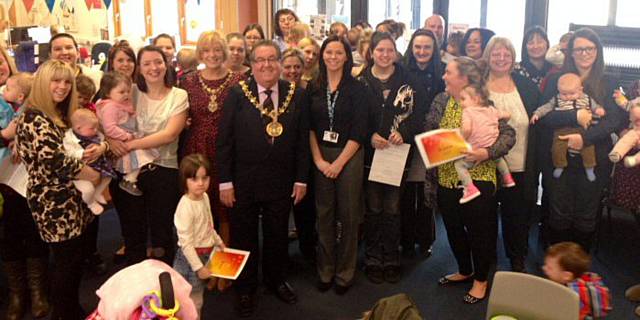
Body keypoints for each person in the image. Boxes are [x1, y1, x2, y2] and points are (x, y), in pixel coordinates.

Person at [217, 40, 309, 317]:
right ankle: (244, 288)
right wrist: (225, 182)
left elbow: (303, 141)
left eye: (272, 59)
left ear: (280, 63)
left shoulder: (296, 94)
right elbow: (225, 142)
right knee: (242, 236)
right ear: (252, 64)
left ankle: (275, 279)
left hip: (281, 179)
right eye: (260, 60)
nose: (266, 65)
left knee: (277, 234)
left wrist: (301, 179)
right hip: (243, 180)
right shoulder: (237, 93)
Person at [16, 59, 104, 319]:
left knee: (74, 260)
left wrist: (101, 149)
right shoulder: (34, 116)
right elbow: (55, 160)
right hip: (52, 202)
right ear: (43, 82)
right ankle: (63, 313)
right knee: (66, 263)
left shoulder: (61, 113)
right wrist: (93, 174)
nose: (62, 86)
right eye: (56, 80)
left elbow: (90, 138)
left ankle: (71, 308)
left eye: (67, 82)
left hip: (73, 199)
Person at [425, 56, 515, 304]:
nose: (444, 76)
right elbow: (429, 131)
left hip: (479, 178)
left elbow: (508, 134)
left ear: (464, 78)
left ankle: (481, 280)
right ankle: (465, 270)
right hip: (446, 178)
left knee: (480, 232)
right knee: (453, 229)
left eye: (448, 72)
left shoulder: (483, 101)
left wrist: (486, 152)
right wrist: (438, 144)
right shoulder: (441, 100)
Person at [539, 28, 625, 252]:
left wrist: (583, 138)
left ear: (598, 51)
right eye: (579, 49)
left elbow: (614, 120)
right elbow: (545, 116)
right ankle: (559, 269)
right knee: (559, 214)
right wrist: (574, 116)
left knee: (586, 216)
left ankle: (578, 270)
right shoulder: (556, 79)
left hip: (595, 159)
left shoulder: (610, 82)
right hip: (559, 158)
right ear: (571, 53)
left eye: (590, 48)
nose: (584, 53)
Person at [108, 45, 188, 266]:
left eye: (158, 62)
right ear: (139, 69)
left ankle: (165, 285)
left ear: (166, 64)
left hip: (163, 170)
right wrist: (110, 140)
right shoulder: (130, 92)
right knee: (133, 236)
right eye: (147, 63)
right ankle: (137, 287)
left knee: (163, 234)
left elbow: (169, 134)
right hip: (128, 169)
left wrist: (131, 144)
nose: (154, 68)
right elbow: (106, 116)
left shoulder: (178, 95)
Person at [358, 31, 427, 284]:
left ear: (396, 53)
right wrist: (369, 136)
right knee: (373, 208)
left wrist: (404, 133)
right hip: (371, 154)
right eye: (380, 50)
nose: (385, 55)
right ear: (371, 53)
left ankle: (392, 258)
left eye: (389, 50)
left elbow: (420, 115)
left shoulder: (410, 81)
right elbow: (354, 118)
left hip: (398, 154)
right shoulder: (361, 81)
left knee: (393, 208)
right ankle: (374, 258)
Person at [179, 32, 244, 279]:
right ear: (200, 53)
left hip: (228, 151)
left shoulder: (239, 80)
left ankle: (225, 269)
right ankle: (201, 268)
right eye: (206, 50)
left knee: (226, 208)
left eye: (217, 50)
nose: (212, 55)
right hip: (196, 150)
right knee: (199, 210)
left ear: (224, 51)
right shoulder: (187, 81)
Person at [309, 35, 366, 295]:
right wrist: (320, 160)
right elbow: (308, 128)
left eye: (338, 53)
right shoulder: (314, 86)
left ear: (346, 56)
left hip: (349, 154)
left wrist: (339, 163)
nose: (333, 57)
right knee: (324, 215)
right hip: (320, 155)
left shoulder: (357, 88)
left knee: (349, 215)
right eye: (328, 52)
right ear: (322, 55)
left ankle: (345, 272)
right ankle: (326, 270)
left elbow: (359, 130)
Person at [482, 36, 542, 272]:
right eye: (496, 54)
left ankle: (517, 261)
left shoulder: (526, 87)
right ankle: (486, 261)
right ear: (488, 57)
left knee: (517, 218)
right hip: (484, 164)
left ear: (513, 58)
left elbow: (538, 123)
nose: (501, 58)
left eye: (506, 54)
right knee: (484, 218)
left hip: (519, 164)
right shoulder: (477, 86)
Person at [0, 69, 49, 320]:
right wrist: (5, 136)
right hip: (5, 180)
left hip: (27, 181)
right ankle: (17, 295)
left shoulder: (29, 108)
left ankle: (37, 291)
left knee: (32, 230)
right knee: (9, 234)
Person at [400, 28, 445, 258]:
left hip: (433, 138)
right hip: (406, 138)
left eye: (427, 47)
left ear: (434, 49)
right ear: (411, 48)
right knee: (407, 192)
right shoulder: (402, 72)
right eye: (417, 46)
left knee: (428, 191)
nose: (422, 51)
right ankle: (406, 239)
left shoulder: (443, 73)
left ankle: (425, 239)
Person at [172, 153, 226, 316]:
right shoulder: (186, 206)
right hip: (190, 259)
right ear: (184, 181)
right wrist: (198, 267)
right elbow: (186, 243)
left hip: (205, 253)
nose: (201, 183)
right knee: (188, 297)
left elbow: (208, 225)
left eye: (205, 178)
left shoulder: (205, 197)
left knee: (197, 295)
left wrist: (219, 241)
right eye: (194, 179)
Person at [533, 73, 604, 181]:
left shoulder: (587, 99)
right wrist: (537, 114)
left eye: (572, 93)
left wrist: (599, 110)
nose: (568, 97)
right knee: (557, 147)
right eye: (564, 94)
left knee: (588, 148)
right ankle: (560, 165)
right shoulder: (556, 99)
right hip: (562, 129)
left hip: (583, 130)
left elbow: (595, 107)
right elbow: (546, 107)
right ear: (558, 90)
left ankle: (589, 167)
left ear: (580, 90)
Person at [96, 71, 157, 196]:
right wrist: (127, 136)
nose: (126, 95)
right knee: (140, 154)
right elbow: (110, 128)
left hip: (125, 135)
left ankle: (130, 178)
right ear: (108, 93)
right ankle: (129, 180)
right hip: (120, 138)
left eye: (128, 91)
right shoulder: (110, 107)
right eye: (121, 92)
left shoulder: (120, 104)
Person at [455, 83, 514, 203]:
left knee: (459, 165)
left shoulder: (467, 112)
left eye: (463, 99)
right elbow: (508, 115)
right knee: (498, 159)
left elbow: (467, 129)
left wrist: (461, 139)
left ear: (475, 99)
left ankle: (470, 188)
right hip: (491, 144)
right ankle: (508, 178)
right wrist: (496, 123)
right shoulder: (491, 110)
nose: (461, 103)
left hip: (476, 148)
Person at [63, 109, 116, 215]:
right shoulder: (69, 138)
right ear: (78, 128)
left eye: (96, 127)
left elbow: (103, 140)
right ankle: (91, 203)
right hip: (81, 170)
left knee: (108, 177)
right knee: (88, 190)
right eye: (92, 128)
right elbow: (67, 152)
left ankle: (98, 192)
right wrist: (82, 153)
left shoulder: (95, 133)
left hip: (98, 164)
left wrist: (102, 147)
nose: (96, 130)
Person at [543, 242, 612, 319]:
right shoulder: (585, 278)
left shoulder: (570, 297)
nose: (544, 268)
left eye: (550, 268)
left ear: (566, 276)